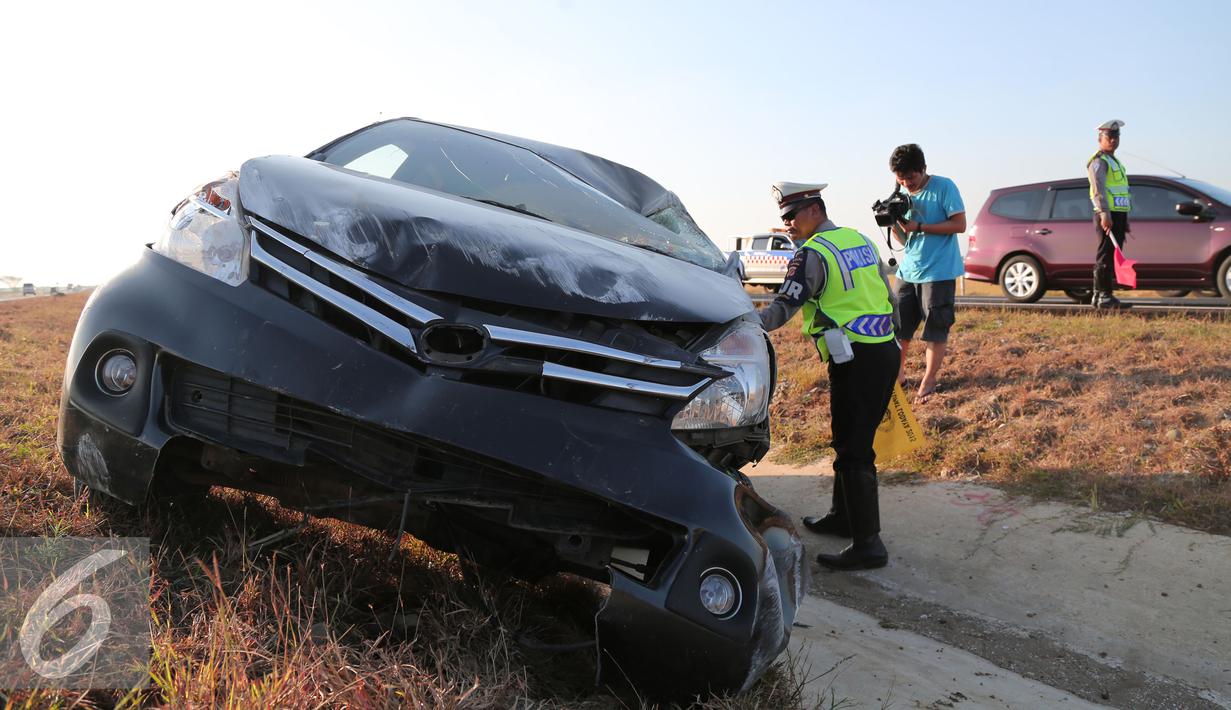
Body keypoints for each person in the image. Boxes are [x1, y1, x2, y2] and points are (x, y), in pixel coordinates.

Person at [760, 181, 899, 570]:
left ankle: (869, 545)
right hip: (882, 350)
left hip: (855, 356)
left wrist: (743, 323)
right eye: (782, 217)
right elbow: (887, 297)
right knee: (848, 438)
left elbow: (782, 308)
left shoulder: (812, 253)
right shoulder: (858, 239)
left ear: (814, 211)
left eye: (790, 215)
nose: (786, 223)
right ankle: (843, 517)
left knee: (855, 450)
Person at [887, 144, 966, 402]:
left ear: (923, 169)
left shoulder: (944, 187)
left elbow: (959, 224)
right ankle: (897, 375)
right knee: (898, 328)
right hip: (908, 270)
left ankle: (929, 380)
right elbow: (903, 239)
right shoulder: (900, 196)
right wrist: (892, 221)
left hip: (939, 271)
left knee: (936, 328)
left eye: (910, 177)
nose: (906, 183)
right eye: (901, 178)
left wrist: (920, 225)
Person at [1087, 120, 1132, 309]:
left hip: (1118, 214)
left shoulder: (1115, 162)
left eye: (1116, 137)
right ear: (1100, 139)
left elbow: (1121, 191)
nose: (1113, 140)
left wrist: (1125, 217)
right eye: (1109, 137)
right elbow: (1099, 190)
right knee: (1106, 254)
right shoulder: (1099, 161)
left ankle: (1100, 295)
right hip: (1107, 214)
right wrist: (1105, 213)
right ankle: (1104, 296)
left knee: (1112, 254)